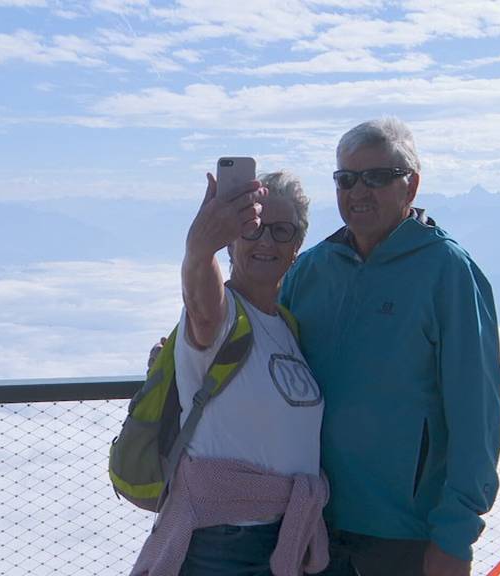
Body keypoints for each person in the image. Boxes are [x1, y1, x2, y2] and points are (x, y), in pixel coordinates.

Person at [280, 118, 500, 576]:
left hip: (408, 534)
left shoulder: (447, 272)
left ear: (411, 186)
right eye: (346, 179)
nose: (359, 191)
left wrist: (455, 537)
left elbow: (476, 416)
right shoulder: (310, 271)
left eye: (378, 177)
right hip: (311, 521)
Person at [131, 171, 330, 576]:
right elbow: (201, 303)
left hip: (282, 538)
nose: (267, 242)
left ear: (297, 247)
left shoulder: (287, 328)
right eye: (253, 229)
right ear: (233, 242)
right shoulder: (223, 318)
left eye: (282, 231)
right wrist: (199, 250)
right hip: (222, 544)